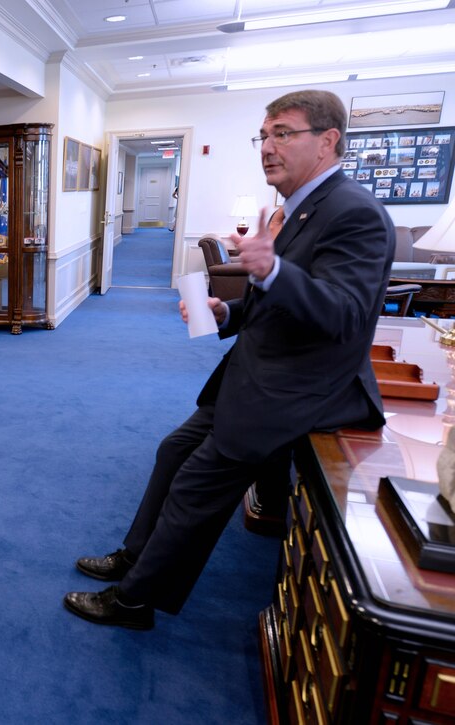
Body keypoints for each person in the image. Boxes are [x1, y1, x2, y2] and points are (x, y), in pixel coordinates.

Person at [64, 90, 395, 630]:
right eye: (263, 135)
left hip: (294, 395)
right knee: (174, 450)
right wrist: (228, 314)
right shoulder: (299, 207)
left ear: (328, 140)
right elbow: (278, 307)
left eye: (282, 133)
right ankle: (135, 557)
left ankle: (134, 601)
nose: (267, 146)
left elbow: (344, 315)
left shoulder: (354, 213)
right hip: (252, 376)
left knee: (197, 487)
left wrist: (271, 272)